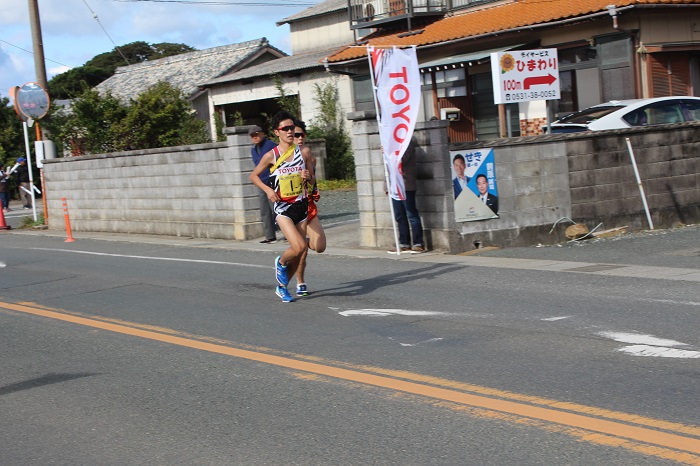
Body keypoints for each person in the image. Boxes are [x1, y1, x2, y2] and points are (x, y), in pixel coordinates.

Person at [249, 111, 314, 303]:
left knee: (300, 251)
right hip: (283, 208)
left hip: (301, 205)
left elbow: (312, 180)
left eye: (292, 128)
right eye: (285, 128)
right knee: (299, 246)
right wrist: (268, 190)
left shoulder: (304, 152)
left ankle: (282, 287)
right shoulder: (271, 155)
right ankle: (281, 261)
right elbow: (253, 176)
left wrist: (308, 177)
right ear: (277, 132)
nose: (290, 131)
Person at [292, 119, 326, 297]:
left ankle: (304, 242)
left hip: (309, 205)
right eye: (296, 135)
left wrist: (310, 179)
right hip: (295, 207)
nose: (299, 138)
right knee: (302, 253)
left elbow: (314, 181)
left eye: (302, 135)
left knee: (319, 247)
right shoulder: (286, 158)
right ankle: (300, 282)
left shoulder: (310, 156)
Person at [387, 141, 425, 254]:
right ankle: (404, 243)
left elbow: (401, 160)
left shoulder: (407, 142)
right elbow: (387, 168)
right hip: (394, 186)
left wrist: (389, 152)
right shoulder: (390, 143)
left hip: (406, 185)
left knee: (411, 214)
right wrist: (386, 186)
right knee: (399, 215)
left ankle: (418, 243)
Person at [249, 125, 278, 244]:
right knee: (264, 210)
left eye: (257, 134)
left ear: (262, 134)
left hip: (272, 181)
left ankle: (288, 233)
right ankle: (270, 236)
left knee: (277, 209)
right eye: (252, 136)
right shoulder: (253, 149)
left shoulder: (271, 145)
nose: (255, 137)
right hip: (261, 182)